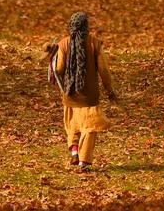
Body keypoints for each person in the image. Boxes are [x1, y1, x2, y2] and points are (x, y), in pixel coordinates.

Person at [47, 12, 118, 171]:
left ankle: (74, 150)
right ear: (87, 27)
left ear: (70, 26)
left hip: (70, 94)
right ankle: (84, 161)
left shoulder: (63, 44)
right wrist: (109, 89)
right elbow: (104, 70)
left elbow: (58, 68)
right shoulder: (94, 44)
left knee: (72, 124)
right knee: (89, 128)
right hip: (90, 97)